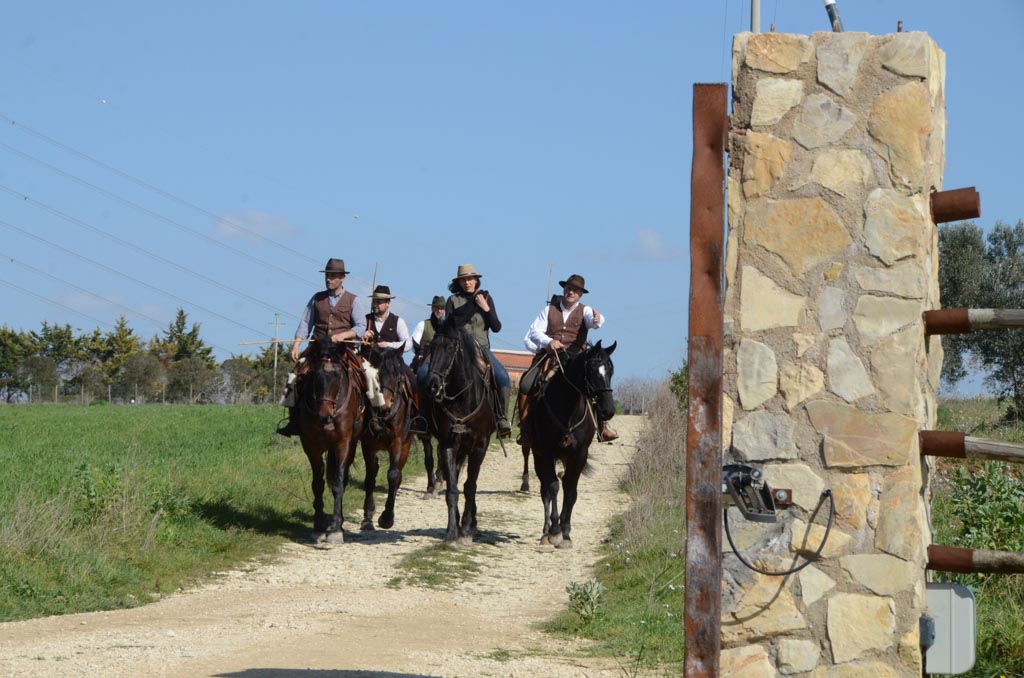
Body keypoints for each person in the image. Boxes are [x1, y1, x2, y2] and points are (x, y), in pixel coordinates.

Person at [520, 273, 617, 442]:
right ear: (564, 289)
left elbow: (595, 322)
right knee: (527, 383)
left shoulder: (585, 311)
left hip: (576, 359)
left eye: (575, 290)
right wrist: (549, 341)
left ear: (580, 294)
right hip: (551, 356)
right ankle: (526, 426)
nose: (571, 292)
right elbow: (535, 331)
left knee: (594, 383)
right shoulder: (549, 310)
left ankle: (603, 426)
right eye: (569, 288)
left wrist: (597, 319)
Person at [276, 257, 367, 436]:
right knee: (294, 377)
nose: (328, 279)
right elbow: (305, 324)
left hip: (343, 350)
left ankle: (368, 420)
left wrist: (342, 335)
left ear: (342, 278)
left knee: (368, 375)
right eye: (327, 275)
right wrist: (296, 345)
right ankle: (293, 421)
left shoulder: (353, 300)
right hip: (318, 349)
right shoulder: (316, 299)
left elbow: (361, 327)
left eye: (333, 276)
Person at [443, 263, 513, 439]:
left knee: (503, 376)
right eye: (464, 279)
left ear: (476, 280)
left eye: (470, 279)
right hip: (458, 349)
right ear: (459, 282)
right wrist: (472, 306)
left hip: (482, 348)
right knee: (431, 374)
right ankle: (430, 418)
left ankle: (502, 418)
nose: (467, 282)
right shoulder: (452, 300)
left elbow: (496, 327)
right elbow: (452, 325)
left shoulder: (486, 298)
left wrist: (485, 307)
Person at [411, 295, 446, 372]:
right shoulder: (422, 324)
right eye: (437, 308)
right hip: (425, 359)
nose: (439, 311)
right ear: (432, 308)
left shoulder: (448, 327)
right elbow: (413, 344)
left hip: (443, 360)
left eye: (442, 308)